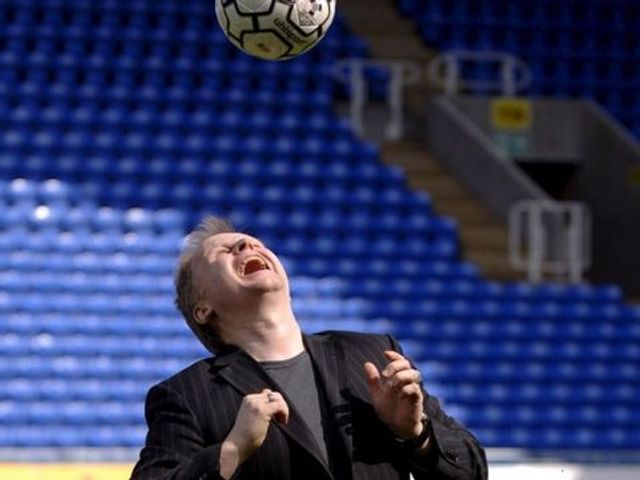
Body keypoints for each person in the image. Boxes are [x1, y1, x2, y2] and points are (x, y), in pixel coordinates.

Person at [131, 216, 487, 480]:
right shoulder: (186, 396)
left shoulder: (374, 353)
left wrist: (416, 435)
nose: (247, 246)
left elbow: (472, 470)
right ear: (202, 307)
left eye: (254, 243)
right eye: (224, 250)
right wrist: (232, 451)